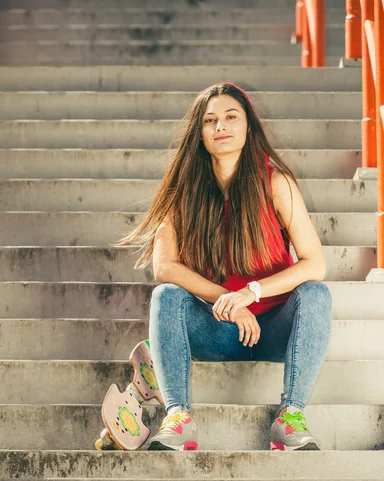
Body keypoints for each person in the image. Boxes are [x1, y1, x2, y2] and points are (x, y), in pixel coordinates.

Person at [117, 81, 332, 452]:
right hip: (216, 330)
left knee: (316, 293)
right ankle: (178, 417)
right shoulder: (181, 192)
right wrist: (231, 303)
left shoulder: (276, 184)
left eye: (231, 117)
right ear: (199, 134)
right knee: (166, 295)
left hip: (276, 328)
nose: (221, 127)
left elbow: (315, 263)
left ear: (248, 126)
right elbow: (165, 267)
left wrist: (252, 294)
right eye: (210, 121)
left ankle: (291, 416)